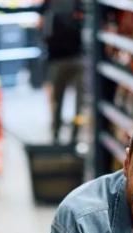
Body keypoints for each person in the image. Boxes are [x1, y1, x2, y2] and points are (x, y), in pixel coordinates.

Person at [41, 0, 84, 144]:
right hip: (68, 58)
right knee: (65, 102)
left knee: (61, 101)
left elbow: (42, 25)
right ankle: (64, 136)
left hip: (67, 58)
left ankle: (62, 136)